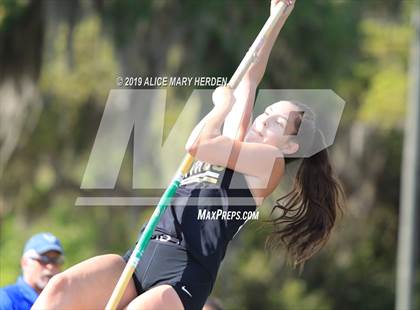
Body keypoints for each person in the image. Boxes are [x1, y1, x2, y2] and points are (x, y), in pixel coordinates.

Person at [33, 0, 343, 309]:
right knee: (60, 290)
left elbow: (197, 144)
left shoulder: (269, 163)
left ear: (290, 147)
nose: (263, 118)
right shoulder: (235, 143)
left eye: (277, 122)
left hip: (183, 274)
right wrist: (276, 20)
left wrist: (222, 106)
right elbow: (250, 76)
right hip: (145, 248)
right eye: (268, 111)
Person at [0, 232, 64, 310]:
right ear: (25, 262)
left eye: (55, 260)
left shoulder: (64, 299)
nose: (50, 266)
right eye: (43, 259)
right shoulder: (5, 299)